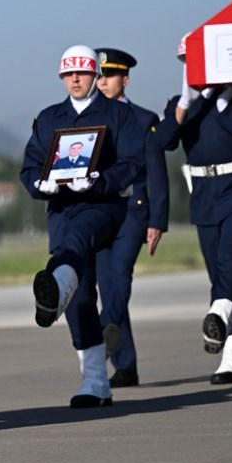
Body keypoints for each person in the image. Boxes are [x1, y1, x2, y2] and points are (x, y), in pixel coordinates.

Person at [21, 45, 144, 407]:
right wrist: (38, 184)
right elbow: (30, 165)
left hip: (102, 206)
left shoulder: (118, 115)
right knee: (80, 299)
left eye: (84, 73)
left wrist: (99, 180)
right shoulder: (48, 117)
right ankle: (95, 381)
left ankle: (54, 286)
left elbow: (134, 163)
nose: (76, 79)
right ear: (62, 77)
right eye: (69, 74)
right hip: (61, 207)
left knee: (73, 247)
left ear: (96, 75)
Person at [152, 49, 232, 384]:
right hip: (204, 192)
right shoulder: (182, 102)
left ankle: (220, 318)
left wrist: (227, 103)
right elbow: (162, 143)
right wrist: (185, 106)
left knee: (231, 257)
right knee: (217, 268)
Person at [78, 47, 168, 387]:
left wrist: (157, 220)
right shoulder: (86, 117)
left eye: (110, 76)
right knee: (108, 283)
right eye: (98, 76)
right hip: (99, 211)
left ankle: (101, 337)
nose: (102, 82)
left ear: (125, 80)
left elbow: (156, 173)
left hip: (133, 209)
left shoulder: (144, 120)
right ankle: (126, 364)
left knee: (119, 276)